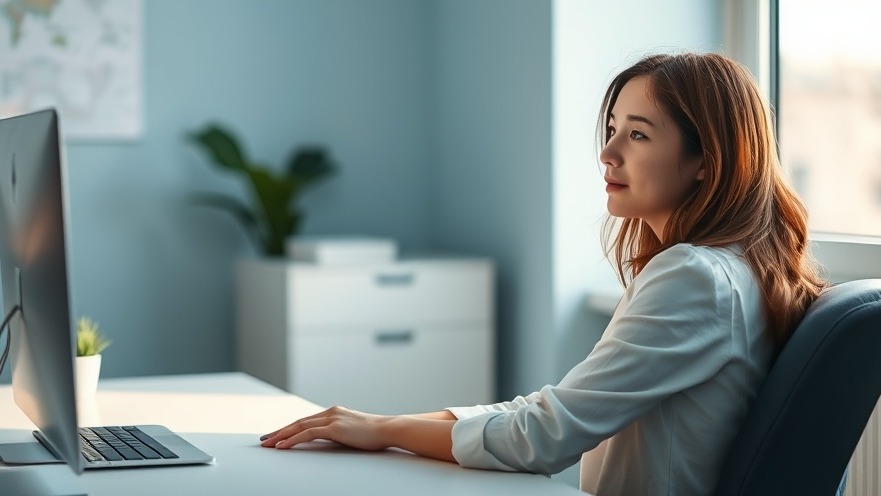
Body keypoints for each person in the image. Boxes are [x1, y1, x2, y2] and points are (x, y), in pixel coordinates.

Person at [258, 52, 827, 496]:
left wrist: (384, 432)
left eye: (637, 134)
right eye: (612, 128)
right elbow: (552, 409)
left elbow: (545, 437)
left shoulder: (694, 276)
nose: (607, 152)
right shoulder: (735, 269)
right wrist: (383, 424)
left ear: (708, 160)